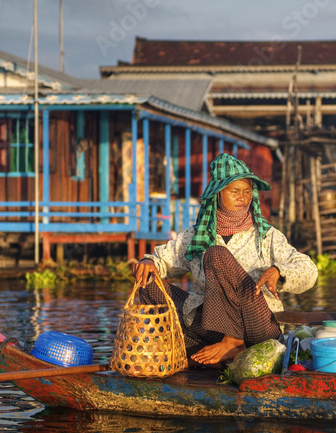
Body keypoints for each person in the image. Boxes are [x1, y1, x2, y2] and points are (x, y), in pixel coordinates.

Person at [131, 153, 318, 366]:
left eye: (248, 191)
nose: (243, 197)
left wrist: (278, 271)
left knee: (216, 254)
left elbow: (308, 269)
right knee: (147, 285)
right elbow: (164, 258)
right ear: (218, 194)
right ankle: (214, 350)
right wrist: (149, 262)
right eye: (235, 191)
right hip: (214, 328)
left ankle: (235, 343)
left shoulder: (267, 236)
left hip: (258, 326)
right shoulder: (197, 235)